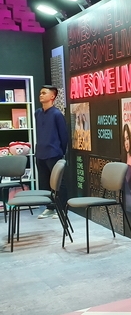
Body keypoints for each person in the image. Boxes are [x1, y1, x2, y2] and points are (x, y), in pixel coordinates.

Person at [35, 85, 68, 218]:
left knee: (58, 183)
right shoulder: (38, 113)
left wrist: (60, 152)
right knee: (44, 182)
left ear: (52, 96)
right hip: (40, 153)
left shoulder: (57, 114)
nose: (41, 95)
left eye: (44, 93)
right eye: (40, 93)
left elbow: (64, 136)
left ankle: (62, 209)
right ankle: (50, 207)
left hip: (54, 153)